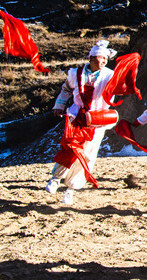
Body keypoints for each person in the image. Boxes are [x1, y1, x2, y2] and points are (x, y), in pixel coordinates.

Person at [47, 40, 117, 205]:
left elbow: (120, 87)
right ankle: (56, 178)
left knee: (86, 155)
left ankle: (70, 189)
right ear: (92, 58)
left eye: (106, 59)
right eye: (101, 58)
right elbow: (66, 90)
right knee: (70, 147)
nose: (104, 62)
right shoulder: (74, 73)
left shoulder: (110, 75)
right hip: (76, 118)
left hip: (97, 121)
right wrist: (59, 105)